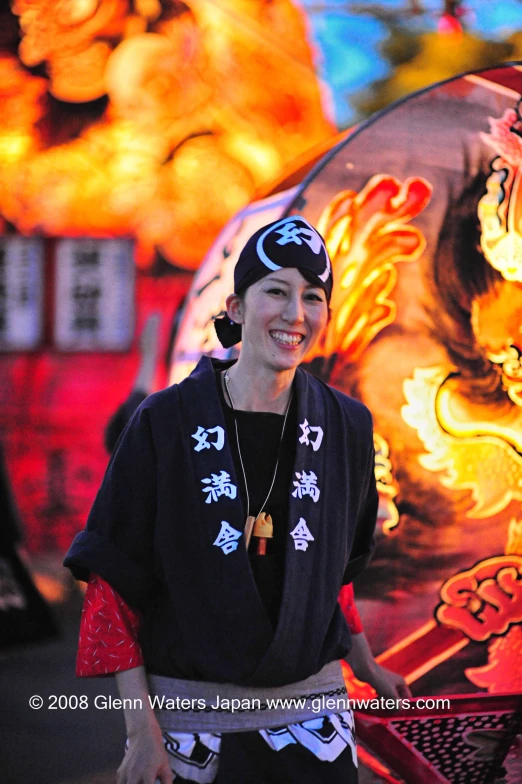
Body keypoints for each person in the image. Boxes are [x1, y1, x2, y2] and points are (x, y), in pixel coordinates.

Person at [64, 216, 410, 784]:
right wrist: (141, 732)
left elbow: (333, 571)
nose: (295, 314)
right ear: (237, 308)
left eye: (313, 297)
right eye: (275, 291)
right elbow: (112, 585)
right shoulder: (165, 422)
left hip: (314, 718)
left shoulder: (347, 425)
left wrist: (366, 662)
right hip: (195, 720)